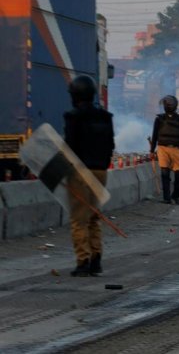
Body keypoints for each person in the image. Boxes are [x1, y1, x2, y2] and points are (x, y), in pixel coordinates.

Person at [63, 75, 115, 277]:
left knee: (79, 219)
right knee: (94, 217)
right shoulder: (105, 117)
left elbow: (69, 147)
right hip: (101, 172)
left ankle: (82, 261)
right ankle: (96, 260)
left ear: (75, 95)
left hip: (80, 173)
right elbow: (110, 146)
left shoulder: (73, 116)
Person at [150, 95, 179, 205]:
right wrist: (151, 150)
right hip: (162, 149)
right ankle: (167, 198)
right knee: (165, 174)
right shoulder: (159, 119)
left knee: (178, 175)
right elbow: (154, 136)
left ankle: (175, 196)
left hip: (177, 150)